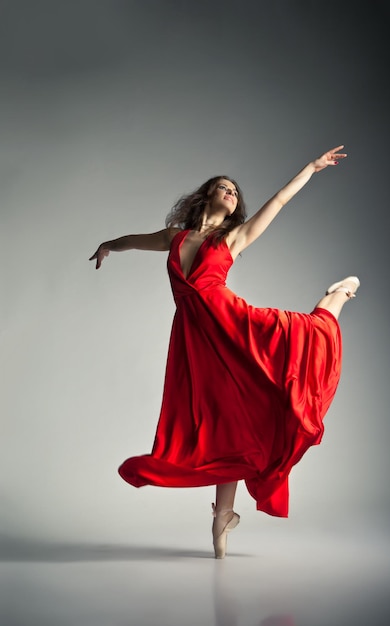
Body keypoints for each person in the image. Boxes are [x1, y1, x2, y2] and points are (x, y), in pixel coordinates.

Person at [90, 146, 360, 559]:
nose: (230, 192)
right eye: (223, 187)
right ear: (206, 195)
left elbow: (280, 201)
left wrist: (312, 167)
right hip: (196, 340)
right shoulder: (173, 237)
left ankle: (336, 296)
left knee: (305, 337)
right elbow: (133, 240)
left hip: (234, 326)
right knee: (222, 421)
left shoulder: (233, 238)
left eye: (234, 190)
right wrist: (109, 244)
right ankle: (223, 518)